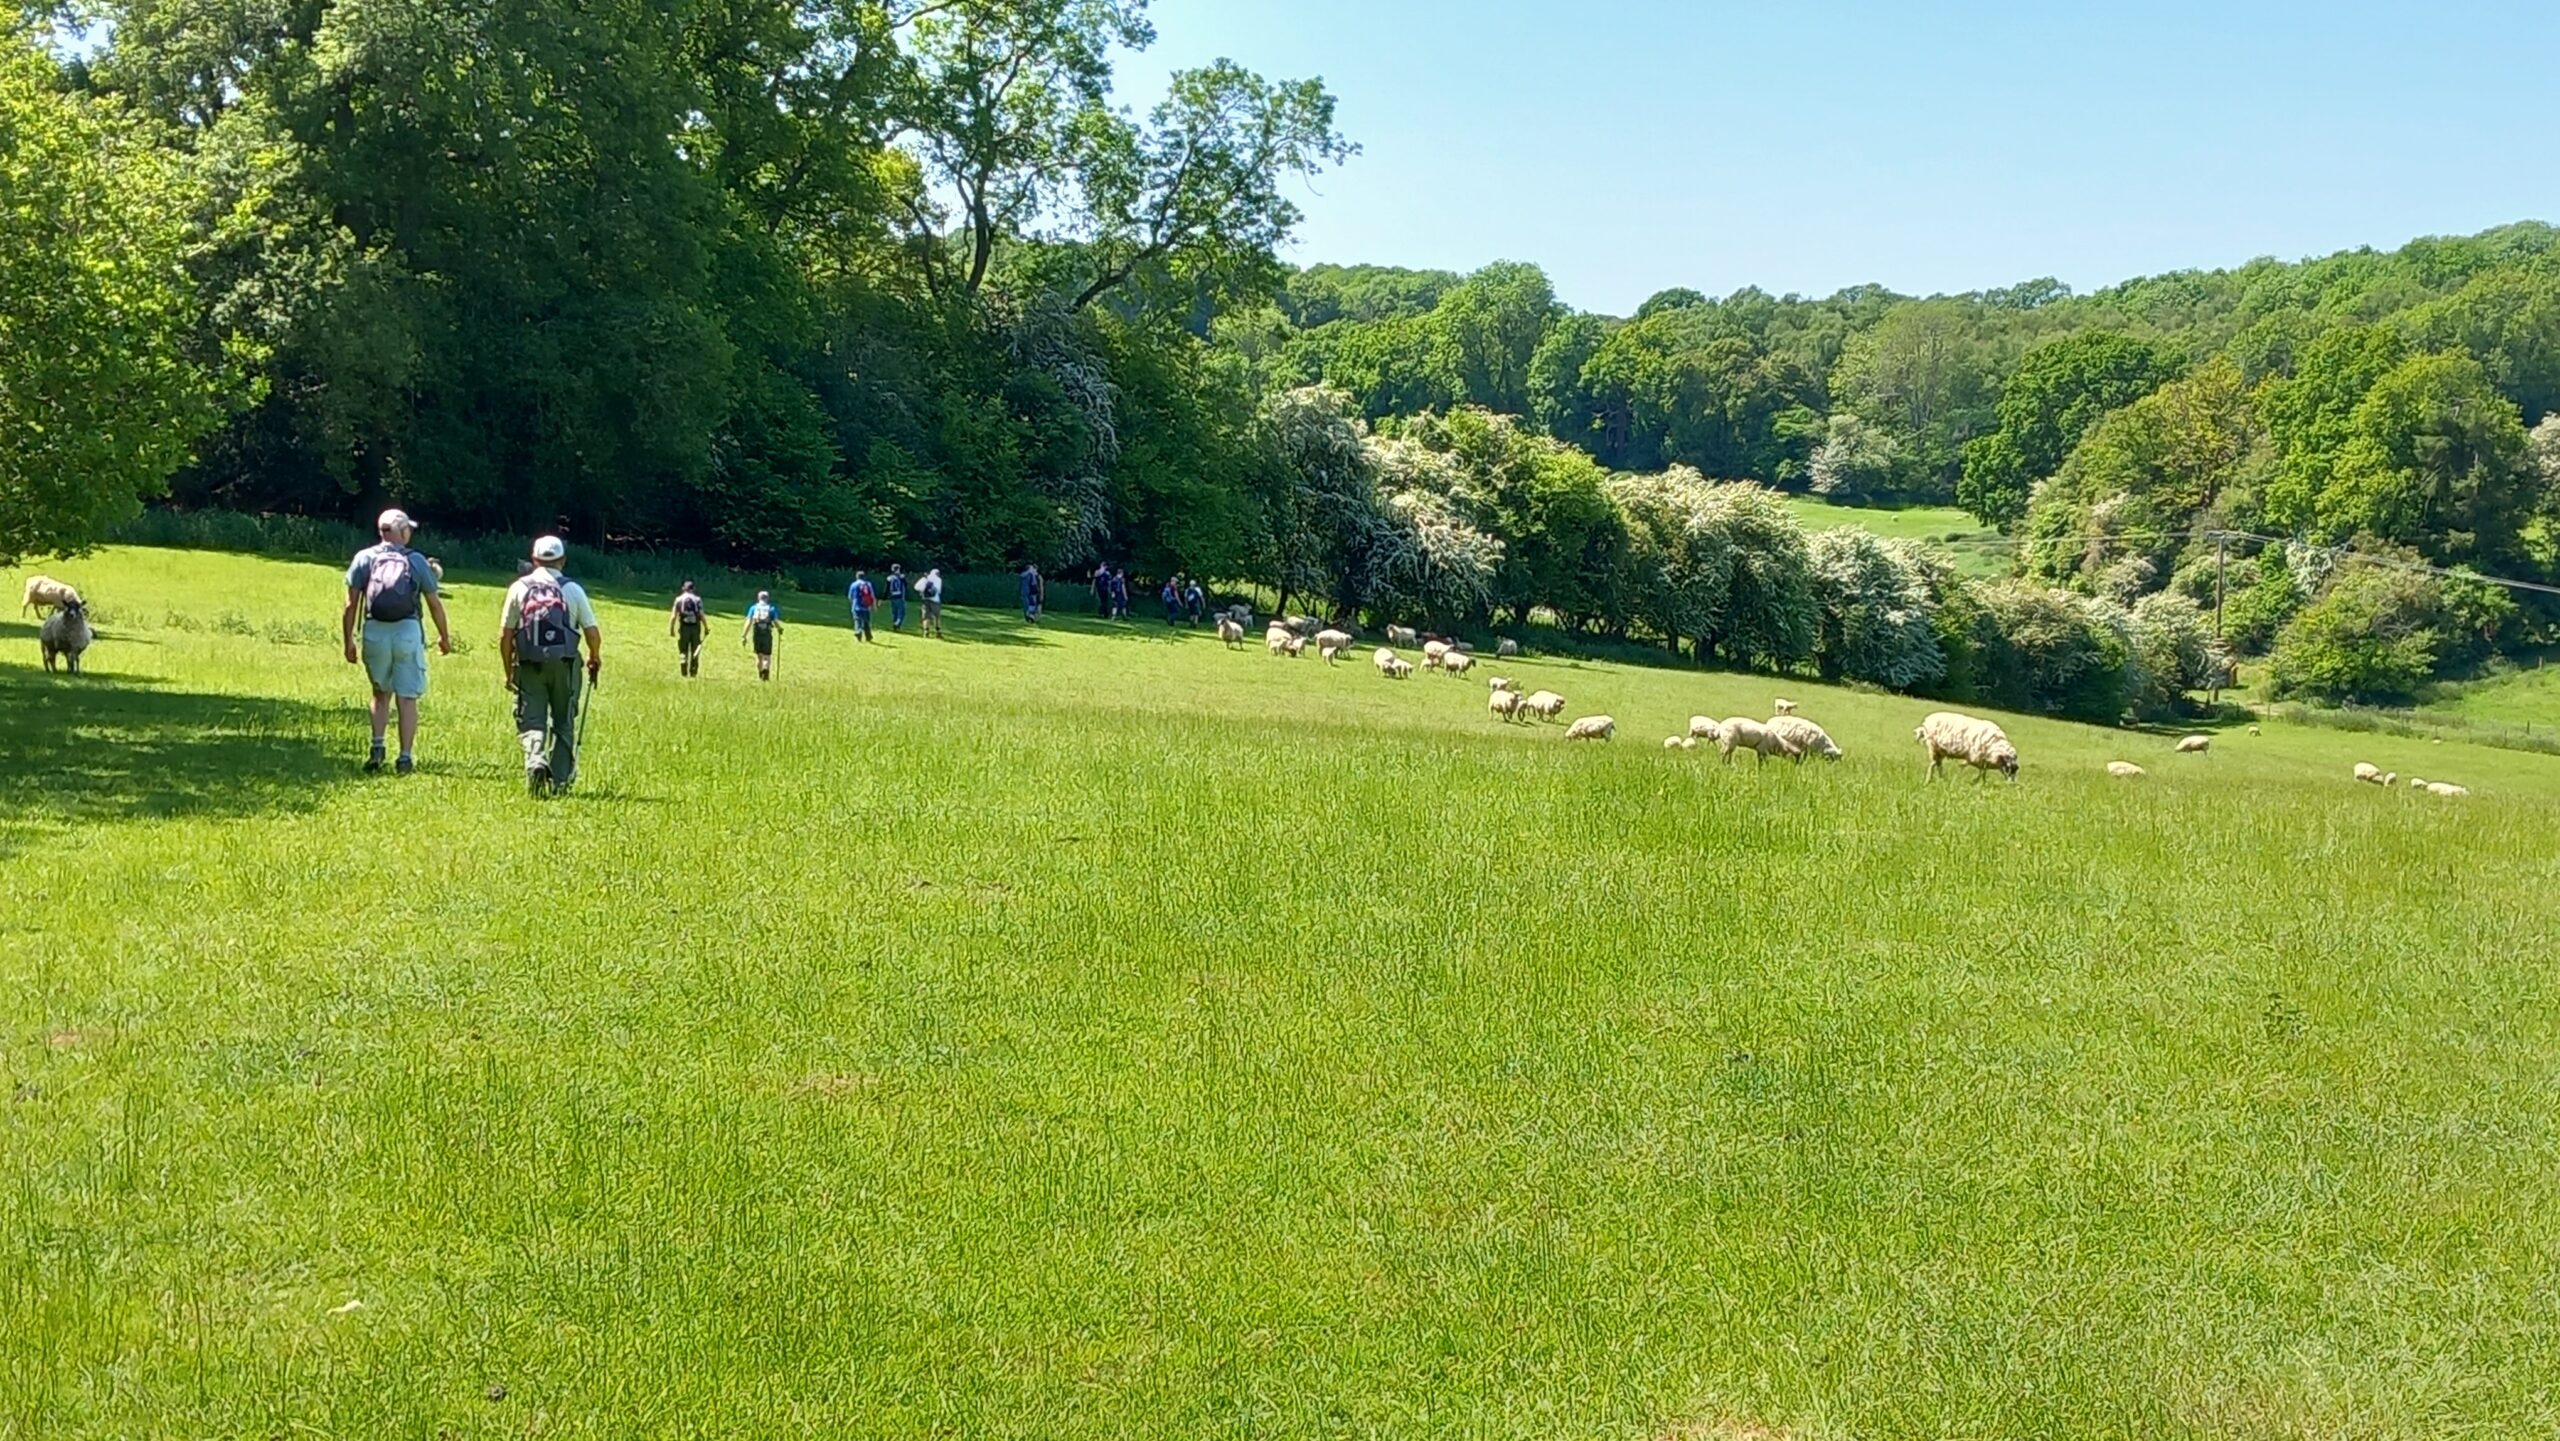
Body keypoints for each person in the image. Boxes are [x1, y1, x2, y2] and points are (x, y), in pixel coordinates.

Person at [341, 508, 455, 775]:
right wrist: (444, 637)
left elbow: (350, 605)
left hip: (374, 630)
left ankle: (377, 748)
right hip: (407, 630)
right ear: (402, 532)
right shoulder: (416, 560)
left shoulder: (364, 558)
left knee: (380, 693)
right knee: (407, 697)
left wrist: (348, 641)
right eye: (408, 529)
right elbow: (434, 603)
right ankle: (404, 758)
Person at [499, 535, 601, 797]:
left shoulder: (519, 588)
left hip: (529, 664)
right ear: (562, 560)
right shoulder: (572, 589)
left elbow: (506, 636)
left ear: (534, 560)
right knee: (563, 721)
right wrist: (594, 656)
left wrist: (509, 671)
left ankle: (536, 761)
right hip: (565, 664)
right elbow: (591, 631)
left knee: (532, 720)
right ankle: (560, 782)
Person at [669, 580, 707, 677]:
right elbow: (701, 615)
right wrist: (706, 627)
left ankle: (683, 668)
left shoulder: (678, 599)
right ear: (693, 589)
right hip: (695, 627)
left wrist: (671, 629)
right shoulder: (697, 600)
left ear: (683, 588)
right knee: (695, 649)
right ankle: (693, 671)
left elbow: (673, 616)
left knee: (683, 649)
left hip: (683, 627)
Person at [743, 590, 782, 679]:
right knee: (767, 656)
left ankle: (760, 674)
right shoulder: (771, 609)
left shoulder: (753, 608)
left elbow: (749, 622)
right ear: (767, 599)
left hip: (757, 634)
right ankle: (766, 672)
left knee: (759, 656)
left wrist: (744, 635)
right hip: (767, 634)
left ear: (758, 598)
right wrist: (780, 629)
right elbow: (775, 622)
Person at [849, 571, 877, 642]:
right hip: (866, 606)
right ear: (864, 577)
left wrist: (852, 604)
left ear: (857, 577)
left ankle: (858, 632)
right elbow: (872, 596)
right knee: (866, 622)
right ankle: (868, 636)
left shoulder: (853, 584)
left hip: (856, 606)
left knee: (857, 620)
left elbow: (850, 597)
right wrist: (874, 605)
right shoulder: (868, 584)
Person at [918, 567, 945, 637]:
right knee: (936, 617)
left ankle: (926, 631)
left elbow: (916, 587)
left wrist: (922, 591)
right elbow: (939, 591)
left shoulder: (925, 578)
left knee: (926, 617)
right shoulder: (938, 579)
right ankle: (938, 632)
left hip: (925, 599)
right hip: (935, 600)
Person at [886, 564, 908, 632]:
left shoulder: (889, 578)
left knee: (894, 612)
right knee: (901, 612)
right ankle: (897, 623)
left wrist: (885, 597)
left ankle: (895, 626)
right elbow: (906, 585)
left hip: (892, 596)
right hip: (900, 596)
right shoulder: (901, 577)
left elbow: (887, 588)